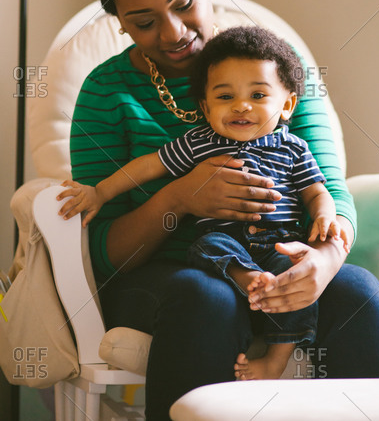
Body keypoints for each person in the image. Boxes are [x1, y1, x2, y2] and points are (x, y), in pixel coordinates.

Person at [67, 0, 379, 421]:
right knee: (204, 295)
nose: (174, 33)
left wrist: (324, 262)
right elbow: (105, 256)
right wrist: (179, 198)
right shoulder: (105, 93)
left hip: (279, 253)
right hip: (166, 276)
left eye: (184, 5)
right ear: (118, 21)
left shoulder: (276, 70)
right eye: (144, 22)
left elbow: (327, 187)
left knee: (359, 292)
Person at [58, 25, 350, 380]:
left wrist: (326, 219)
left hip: (279, 244)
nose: (241, 106)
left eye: (258, 95)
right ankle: (247, 278)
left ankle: (275, 360)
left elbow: (318, 190)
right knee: (208, 246)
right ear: (206, 107)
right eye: (225, 98)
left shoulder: (293, 148)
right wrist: (100, 192)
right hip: (224, 244)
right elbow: (150, 165)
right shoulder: (200, 142)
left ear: (287, 104)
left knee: (299, 283)